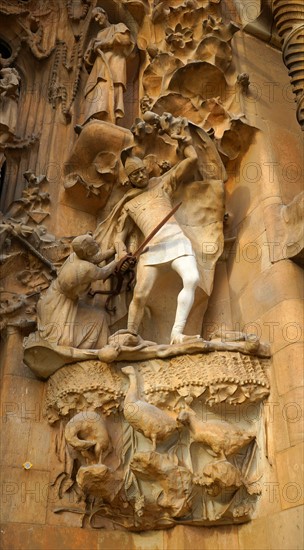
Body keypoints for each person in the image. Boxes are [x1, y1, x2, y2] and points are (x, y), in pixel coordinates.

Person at [106, 139, 201, 345]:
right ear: (130, 179)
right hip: (151, 250)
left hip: (176, 240)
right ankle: (131, 333)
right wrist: (122, 253)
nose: (141, 176)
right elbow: (119, 236)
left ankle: (176, 333)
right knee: (140, 295)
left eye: (142, 171)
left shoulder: (162, 184)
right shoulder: (129, 204)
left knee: (192, 278)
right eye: (135, 175)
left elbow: (192, 160)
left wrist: (185, 143)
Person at [36, 234, 125, 348]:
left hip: (52, 297)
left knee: (97, 317)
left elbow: (95, 258)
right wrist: (117, 260)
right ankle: (99, 348)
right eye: (93, 243)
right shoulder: (86, 268)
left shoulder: (74, 256)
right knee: (66, 339)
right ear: (87, 251)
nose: (96, 243)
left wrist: (112, 251)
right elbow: (103, 273)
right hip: (61, 305)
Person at [82, 7, 134, 125]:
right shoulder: (99, 34)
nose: (96, 19)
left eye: (97, 16)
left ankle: (109, 121)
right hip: (100, 68)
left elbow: (125, 40)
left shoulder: (118, 27)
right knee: (98, 90)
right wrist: (91, 50)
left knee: (111, 90)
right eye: (94, 18)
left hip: (114, 65)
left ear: (104, 13)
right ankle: (94, 119)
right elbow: (88, 62)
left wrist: (104, 43)